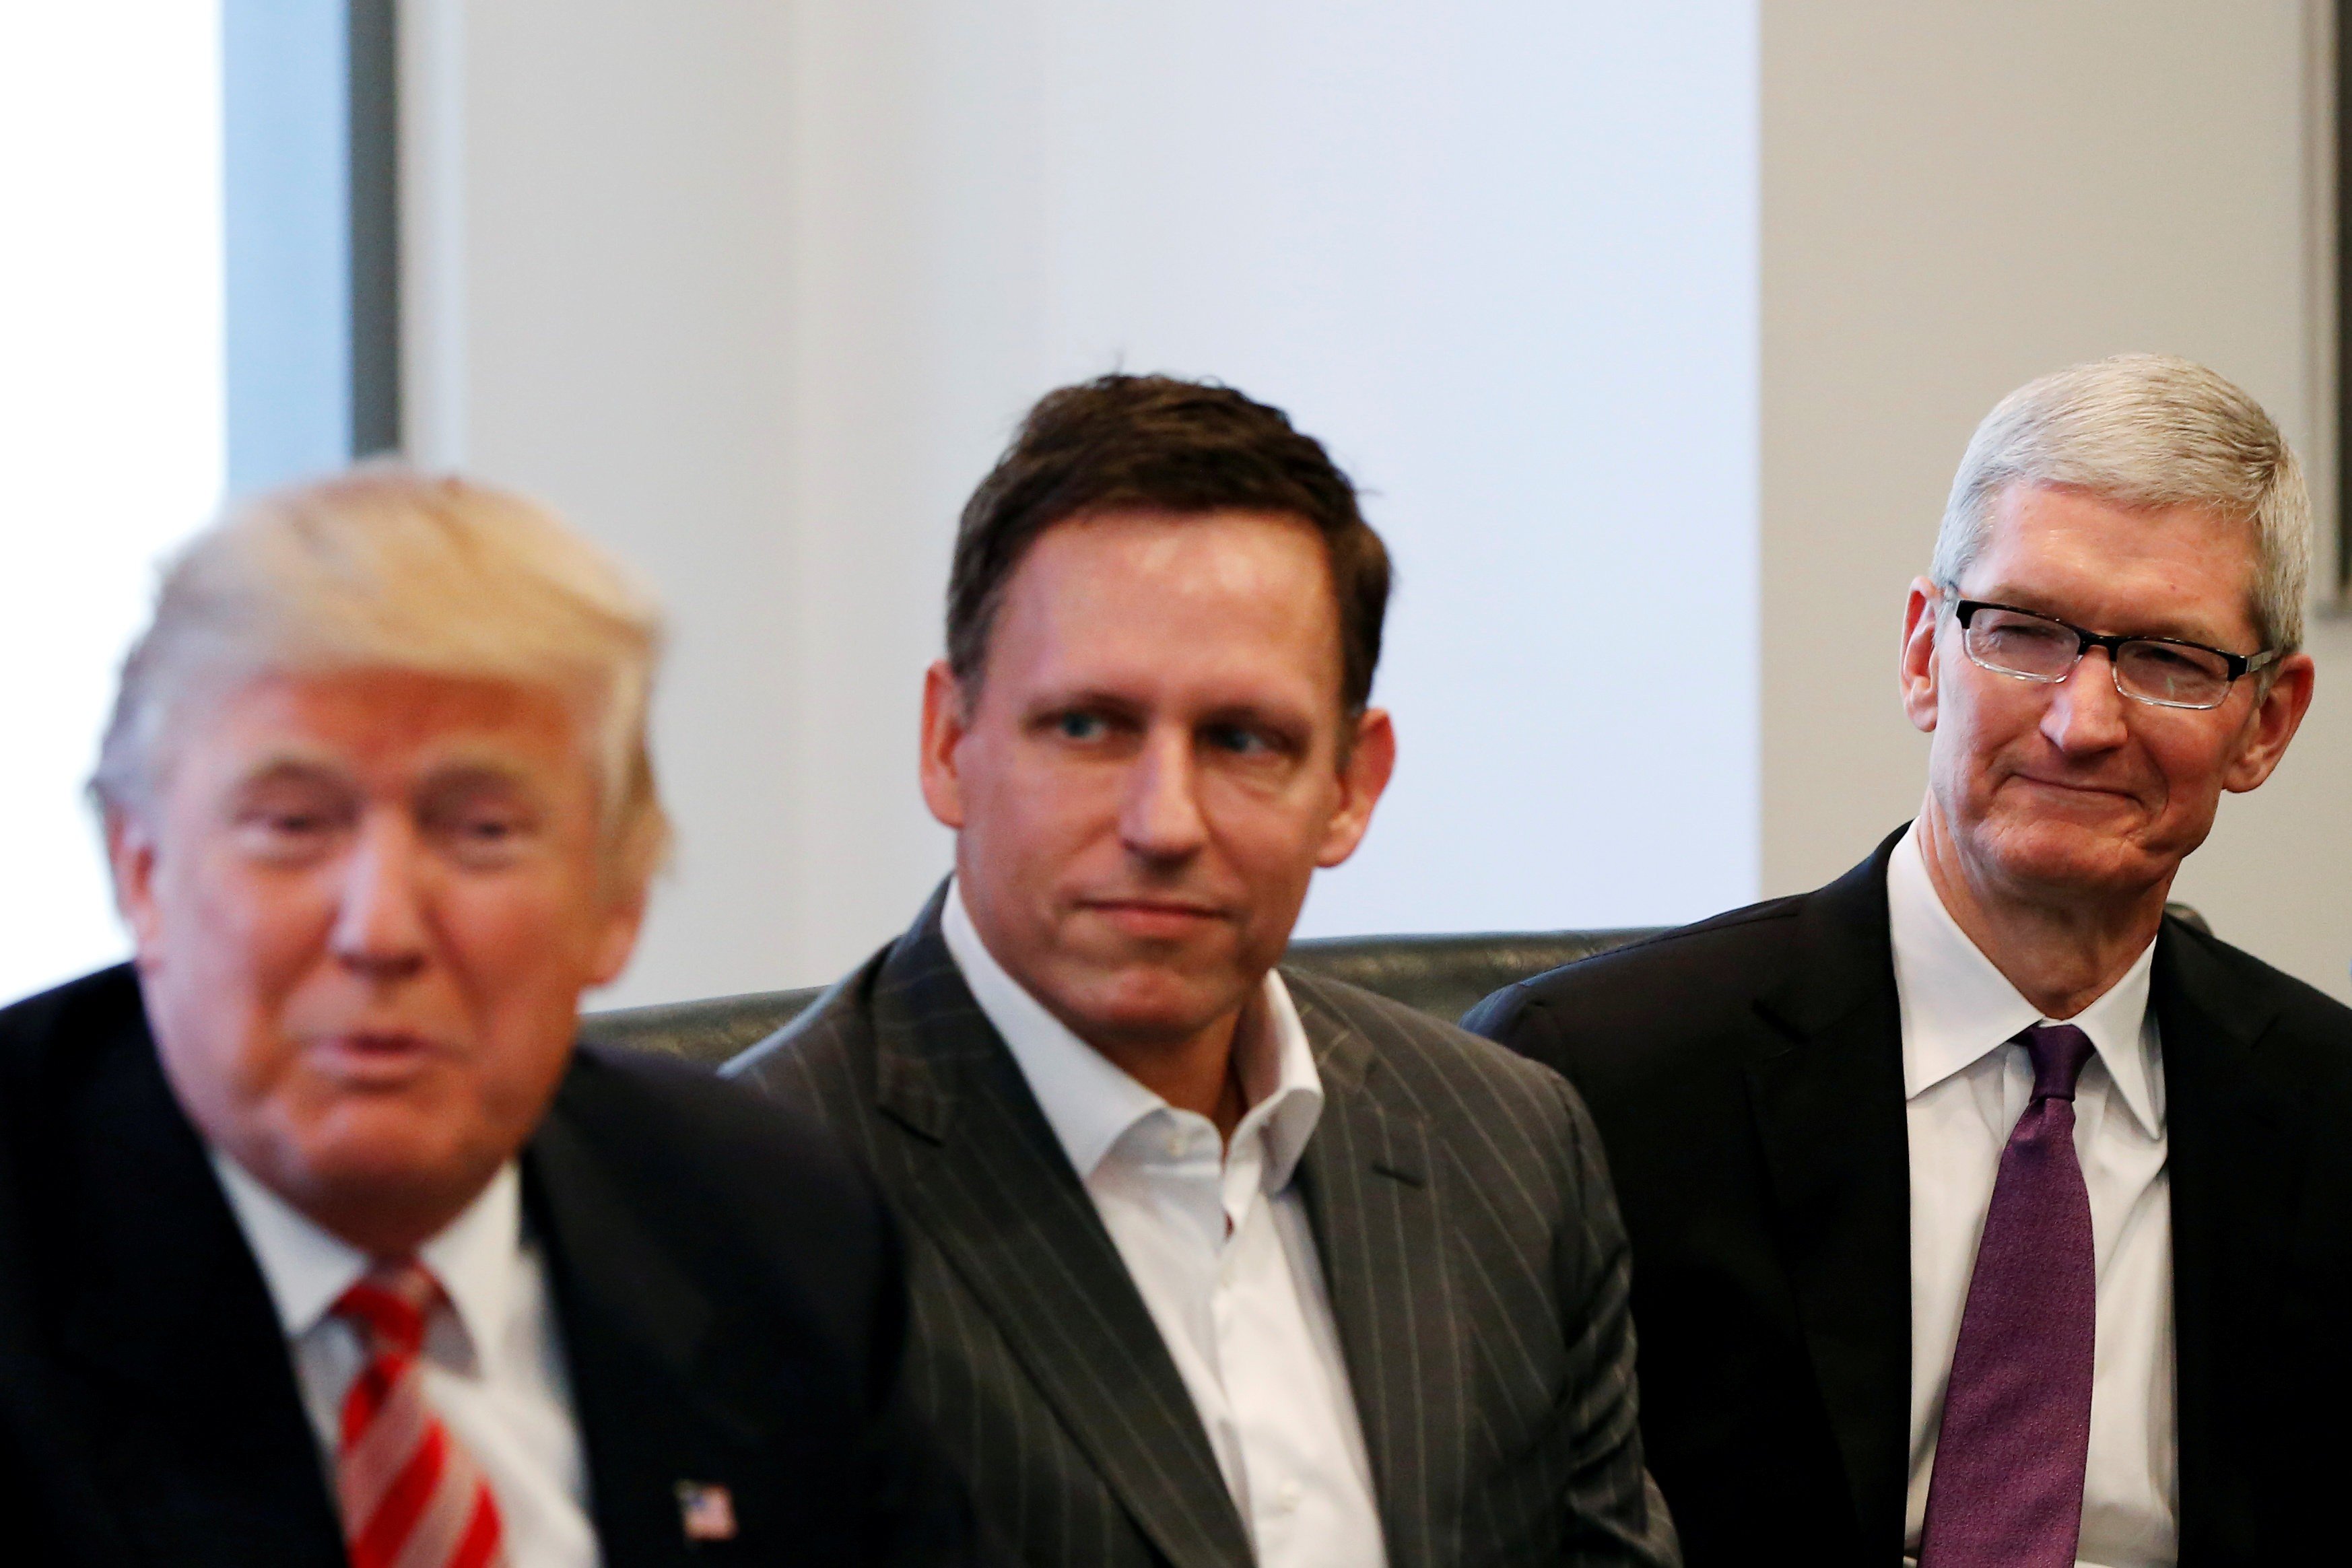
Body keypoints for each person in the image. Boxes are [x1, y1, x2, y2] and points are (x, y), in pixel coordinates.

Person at [729, 374, 1678, 1568]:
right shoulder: (738, 1211)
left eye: (1243, 739)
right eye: (1087, 726)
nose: (1162, 819)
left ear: (1348, 784)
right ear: (947, 744)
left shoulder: (1508, 1146)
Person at [1467, 353, 2352, 1567]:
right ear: (1923, 652)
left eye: (2167, 660)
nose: (2081, 720)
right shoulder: (1587, 1085)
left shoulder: (2329, 1113)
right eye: (2023, 632)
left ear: (2267, 721)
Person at [0, 469, 976, 1566]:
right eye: (292, 823)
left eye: (481, 830)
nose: (380, 927)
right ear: (141, 871)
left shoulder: (769, 1231)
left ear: (617, 897)